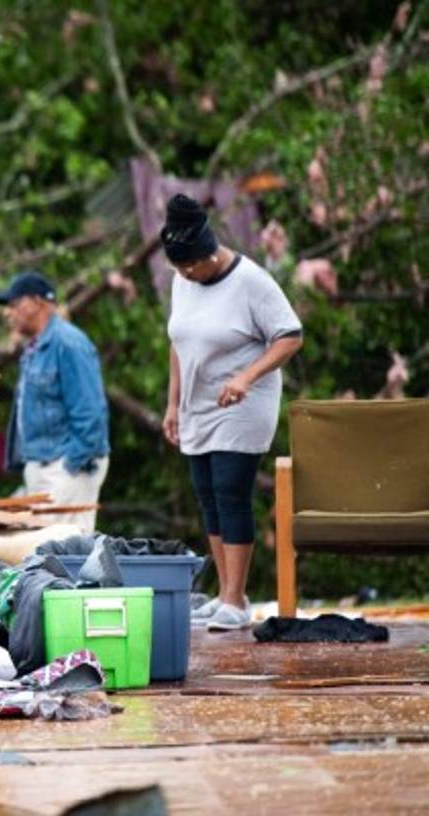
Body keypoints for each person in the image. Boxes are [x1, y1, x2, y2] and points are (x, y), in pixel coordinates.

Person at [160, 194, 303, 631]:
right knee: (206, 494)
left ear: (209, 254)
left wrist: (246, 377)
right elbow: (178, 342)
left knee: (230, 490)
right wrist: (172, 403)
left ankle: (237, 599)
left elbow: (290, 335)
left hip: (243, 403)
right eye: (178, 268)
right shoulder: (183, 279)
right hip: (198, 402)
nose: (184, 274)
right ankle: (225, 594)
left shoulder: (251, 282)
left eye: (189, 266)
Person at [0, 271, 110, 532]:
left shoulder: (68, 343)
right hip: (41, 465)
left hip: (66, 468)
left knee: (61, 556)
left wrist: (69, 469)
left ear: (37, 302)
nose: (7, 313)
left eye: (14, 305)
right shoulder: (34, 347)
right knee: (41, 560)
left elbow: (91, 415)